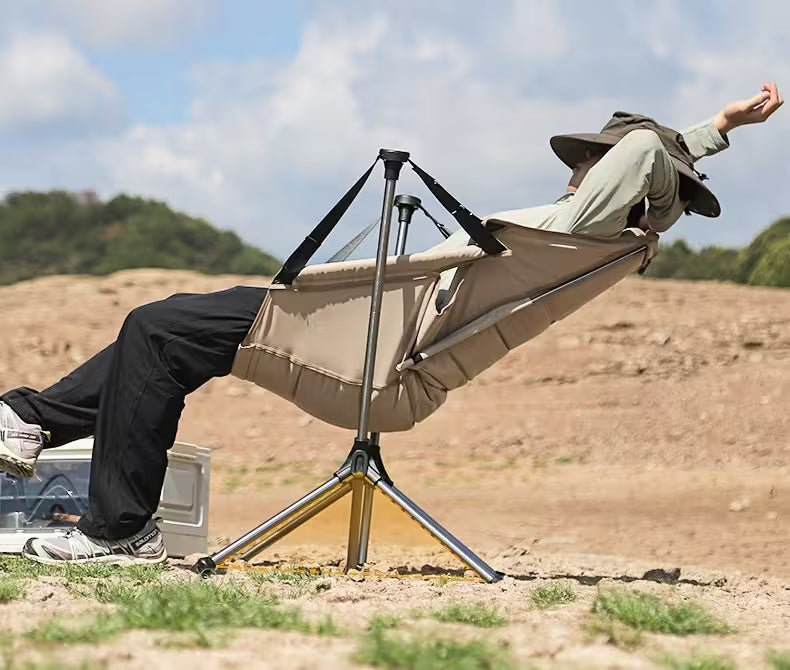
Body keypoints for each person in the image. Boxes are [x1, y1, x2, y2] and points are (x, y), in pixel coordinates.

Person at [0, 82, 782, 565]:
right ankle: (29, 426)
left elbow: (643, 152)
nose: (578, 167)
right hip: (372, 351)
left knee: (161, 327)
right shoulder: (604, 245)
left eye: (593, 160)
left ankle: (112, 528)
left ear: (624, 184)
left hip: (377, 361)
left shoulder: (581, 231)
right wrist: (717, 127)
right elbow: (649, 173)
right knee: (167, 335)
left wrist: (680, 139)